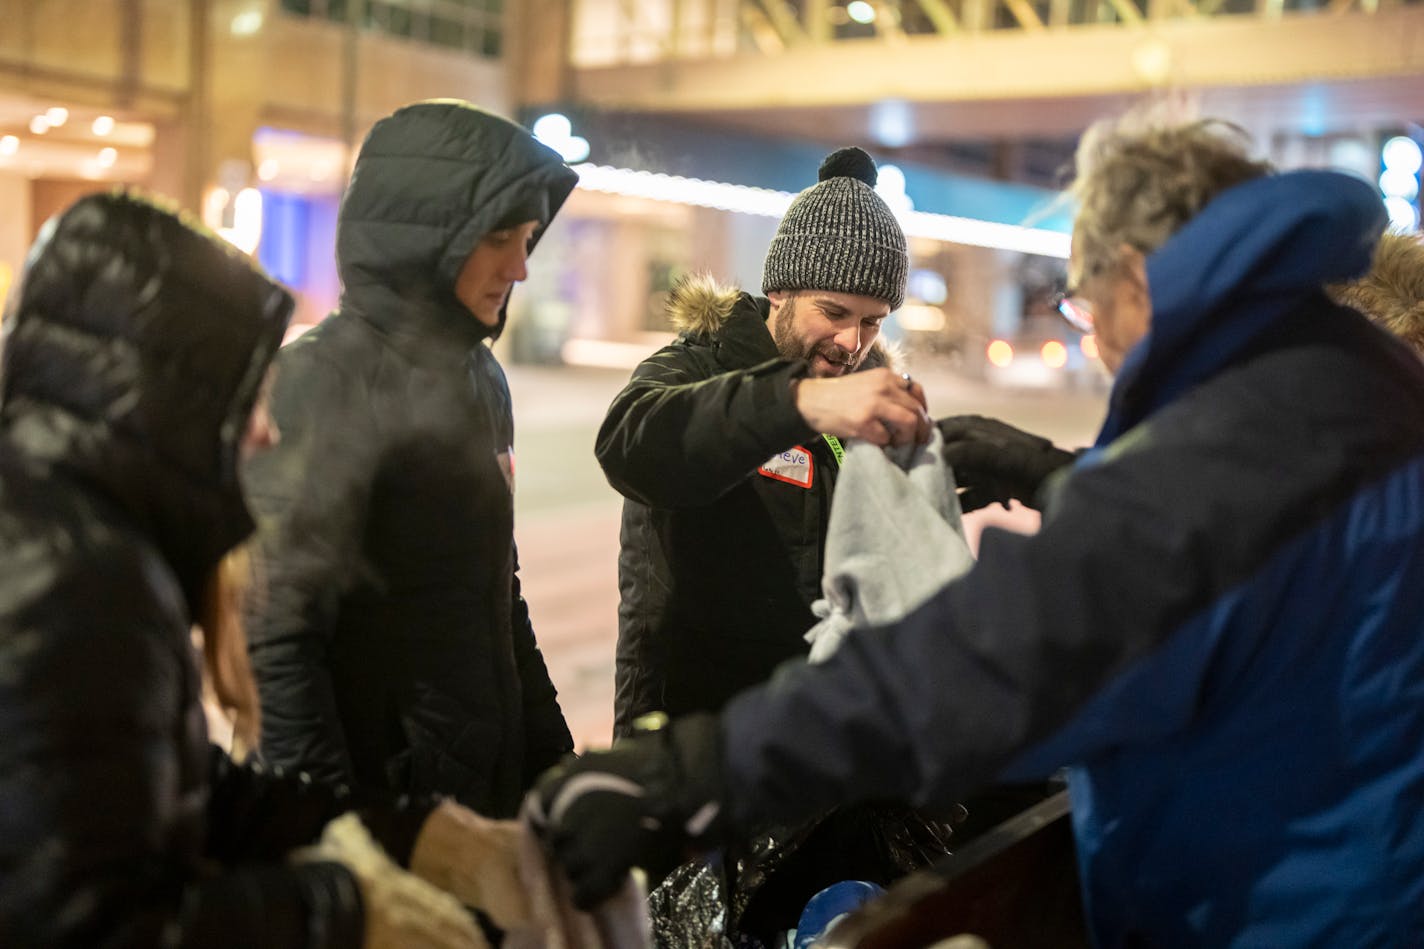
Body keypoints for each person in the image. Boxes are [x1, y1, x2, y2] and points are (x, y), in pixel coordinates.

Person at [531, 117, 1424, 946]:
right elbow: (639, 440)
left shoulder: (1226, 439)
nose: (1100, 339)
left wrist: (694, 775)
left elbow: (990, 658)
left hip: (1283, 904)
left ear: (1138, 279)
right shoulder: (1362, 384)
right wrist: (1058, 475)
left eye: (1085, 304)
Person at [0, 191, 523, 947]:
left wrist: (411, 834)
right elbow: (96, 927)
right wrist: (341, 910)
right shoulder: (78, 588)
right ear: (169, 401)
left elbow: (155, 790)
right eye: (246, 397)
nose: (267, 431)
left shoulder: (69, 542)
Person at [243, 100, 575, 818]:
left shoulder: (480, 379)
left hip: (479, 794)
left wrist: (550, 759)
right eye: (498, 239)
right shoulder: (321, 381)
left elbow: (498, 592)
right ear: (428, 238)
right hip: (386, 806)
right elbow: (278, 637)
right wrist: (341, 836)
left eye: (526, 239)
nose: (519, 266)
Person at [598, 145, 930, 739]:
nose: (851, 341)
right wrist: (795, 403)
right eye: (834, 311)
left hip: (819, 733)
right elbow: (632, 443)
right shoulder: (697, 368)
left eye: (873, 321)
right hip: (694, 739)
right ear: (780, 291)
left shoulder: (865, 400)